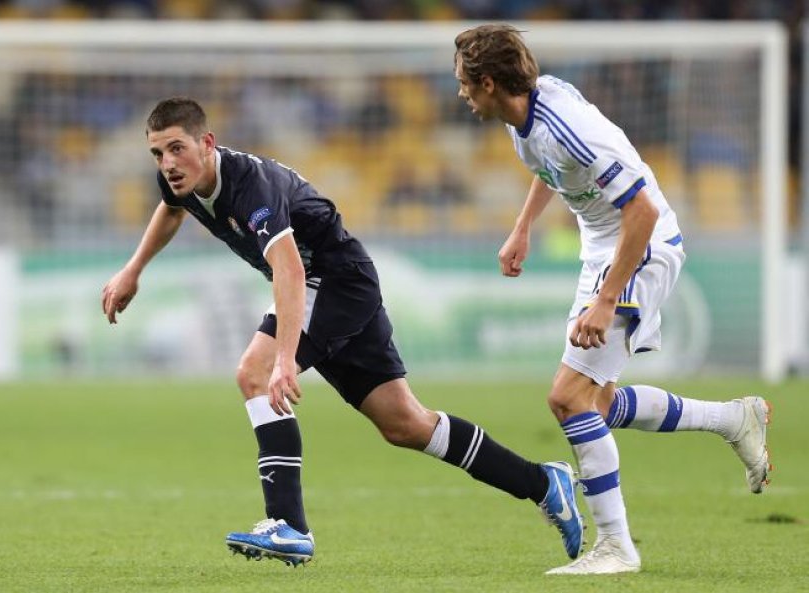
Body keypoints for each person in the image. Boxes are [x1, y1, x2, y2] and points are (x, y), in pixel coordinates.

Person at [101, 96, 584, 567]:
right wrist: (133, 269)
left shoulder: (250, 186)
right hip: (335, 287)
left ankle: (288, 525)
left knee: (255, 371)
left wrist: (286, 358)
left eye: (176, 148)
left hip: (334, 284)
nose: (167, 163)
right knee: (405, 424)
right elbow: (171, 208)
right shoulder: (182, 180)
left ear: (207, 142)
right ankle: (542, 483)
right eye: (157, 153)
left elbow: (288, 271)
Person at [452, 24, 772, 575]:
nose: (459, 92)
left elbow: (642, 210)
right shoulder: (527, 113)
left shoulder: (566, 125)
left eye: (463, 82)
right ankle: (731, 418)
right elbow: (551, 168)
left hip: (638, 245)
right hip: (602, 244)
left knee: (568, 398)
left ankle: (616, 547)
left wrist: (607, 300)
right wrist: (523, 227)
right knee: (594, 405)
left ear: (487, 82)